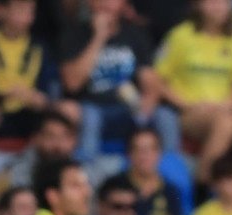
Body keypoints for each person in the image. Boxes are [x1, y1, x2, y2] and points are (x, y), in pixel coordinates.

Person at [155, 0, 232, 184]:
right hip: (189, 111)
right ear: (198, 5)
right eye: (211, 2)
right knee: (227, 123)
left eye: (223, 2)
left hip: (224, 108)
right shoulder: (180, 36)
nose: (218, 6)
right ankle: (202, 184)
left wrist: (228, 104)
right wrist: (187, 104)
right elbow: (158, 81)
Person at [60, 0, 178, 160]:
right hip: (93, 107)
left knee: (166, 116)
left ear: (124, 4)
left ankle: (172, 173)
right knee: (90, 117)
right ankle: (85, 173)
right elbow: (72, 83)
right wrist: (98, 38)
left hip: (130, 107)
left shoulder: (135, 34)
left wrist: (148, 101)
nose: (106, 4)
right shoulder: (75, 34)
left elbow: (149, 77)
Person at [0, 0, 54, 141]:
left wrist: (32, 96)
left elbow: (48, 90)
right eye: (21, 11)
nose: (26, 17)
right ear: (4, 11)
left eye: (30, 12)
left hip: (29, 112)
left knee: (58, 108)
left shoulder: (40, 47)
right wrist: (4, 95)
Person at [116, 127, 190, 215]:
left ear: (159, 153)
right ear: (129, 154)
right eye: (138, 150)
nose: (144, 155)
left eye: (150, 149)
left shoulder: (170, 190)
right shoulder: (116, 187)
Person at [6, 111, 105, 190]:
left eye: (65, 137)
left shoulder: (87, 173)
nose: (58, 145)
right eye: (50, 137)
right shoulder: (18, 172)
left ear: (74, 141)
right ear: (36, 139)